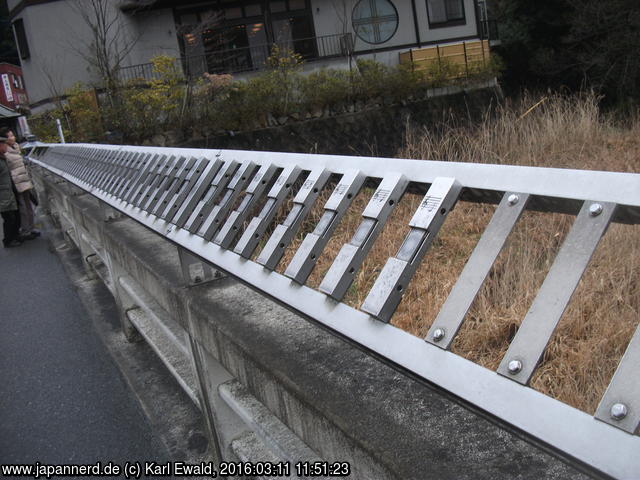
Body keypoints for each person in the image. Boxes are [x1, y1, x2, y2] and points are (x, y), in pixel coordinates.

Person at [0, 127, 39, 239]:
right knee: (22, 208)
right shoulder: (5, 152)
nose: (13, 137)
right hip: (16, 183)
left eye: (13, 135)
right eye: (10, 136)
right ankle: (26, 230)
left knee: (28, 205)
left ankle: (31, 228)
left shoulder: (15, 147)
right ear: (5, 139)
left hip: (24, 180)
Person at [0, 135, 22, 247]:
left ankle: (15, 235)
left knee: (15, 215)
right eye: (3, 145)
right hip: (3, 195)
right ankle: (8, 240)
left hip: (9, 192)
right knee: (8, 218)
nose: (5, 146)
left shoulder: (3, 158)